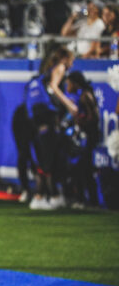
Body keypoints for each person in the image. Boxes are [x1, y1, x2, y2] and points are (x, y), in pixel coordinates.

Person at [26, 47, 75, 210]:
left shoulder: (47, 70)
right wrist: (70, 105)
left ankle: (46, 195)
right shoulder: (60, 68)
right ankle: (44, 196)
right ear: (66, 59)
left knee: (44, 158)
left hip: (38, 121)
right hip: (48, 119)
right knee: (48, 160)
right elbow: (54, 86)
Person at [62, 71, 100, 208]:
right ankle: (82, 199)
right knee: (80, 169)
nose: (67, 85)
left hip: (87, 138)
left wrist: (80, 121)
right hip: (82, 136)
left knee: (85, 169)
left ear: (75, 83)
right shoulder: (78, 96)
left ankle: (90, 201)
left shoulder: (85, 95)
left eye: (69, 83)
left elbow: (94, 117)